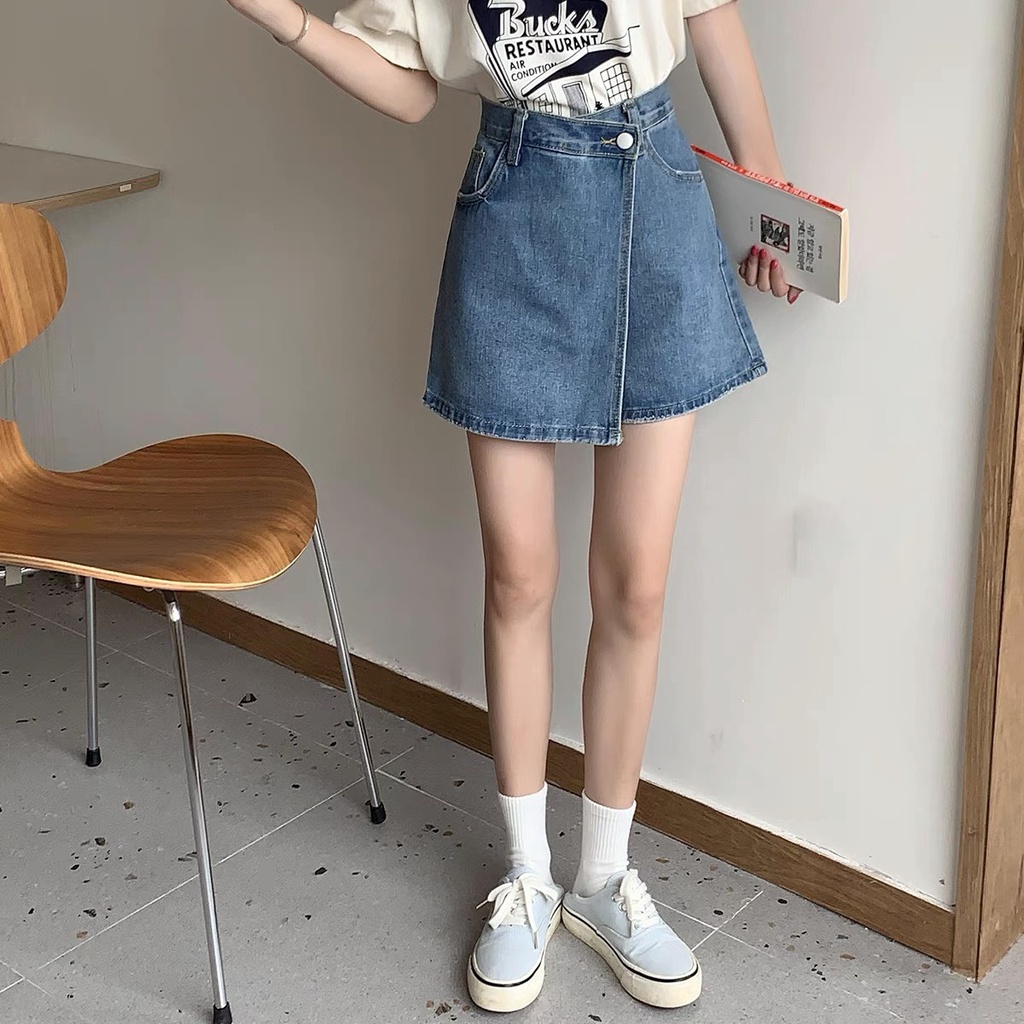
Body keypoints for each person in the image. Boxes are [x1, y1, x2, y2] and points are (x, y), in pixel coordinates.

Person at [225, 0, 799, 1012]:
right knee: (519, 578)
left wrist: (769, 198)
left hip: (657, 205)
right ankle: (528, 875)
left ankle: (604, 878)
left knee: (637, 586)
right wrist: (283, 18)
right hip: (516, 206)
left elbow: (709, 17)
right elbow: (410, 90)